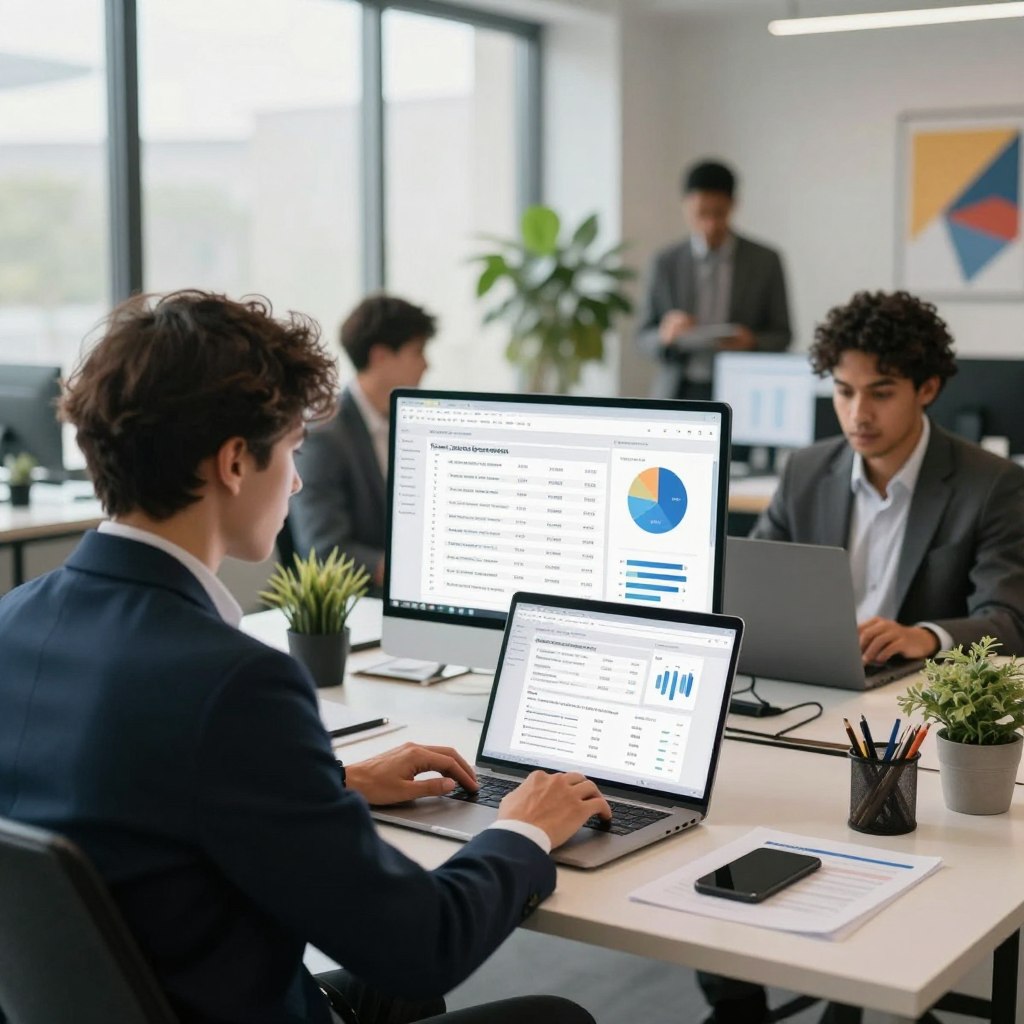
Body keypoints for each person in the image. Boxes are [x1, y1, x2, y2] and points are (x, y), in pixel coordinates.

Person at [0, 291, 610, 1024]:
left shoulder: (16, 620)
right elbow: (424, 940)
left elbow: (132, 803)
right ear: (233, 462)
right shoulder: (234, 683)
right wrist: (526, 828)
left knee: (399, 996)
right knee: (553, 1017)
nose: (294, 481)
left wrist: (336, 782)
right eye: (291, 450)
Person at [699, 289, 1024, 1024]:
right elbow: (757, 586)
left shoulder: (990, 484)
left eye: (880, 393)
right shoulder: (807, 470)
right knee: (717, 817)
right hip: (807, 702)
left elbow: (1009, 621)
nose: (858, 416)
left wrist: (928, 637)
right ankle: (736, 996)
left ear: (927, 388)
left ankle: (868, 986)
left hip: (905, 731)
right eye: (843, 393)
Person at [289, 294, 435, 594]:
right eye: (417, 351)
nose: (426, 365)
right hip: (360, 608)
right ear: (380, 356)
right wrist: (412, 571)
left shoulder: (415, 424)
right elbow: (324, 552)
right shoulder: (323, 437)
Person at [636, 158, 792, 400]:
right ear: (685, 206)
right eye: (701, 213)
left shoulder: (766, 261)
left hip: (742, 390)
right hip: (679, 390)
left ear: (733, 205)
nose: (710, 225)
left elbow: (783, 334)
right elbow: (642, 336)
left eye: (719, 213)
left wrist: (752, 341)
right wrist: (666, 335)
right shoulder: (665, 261)